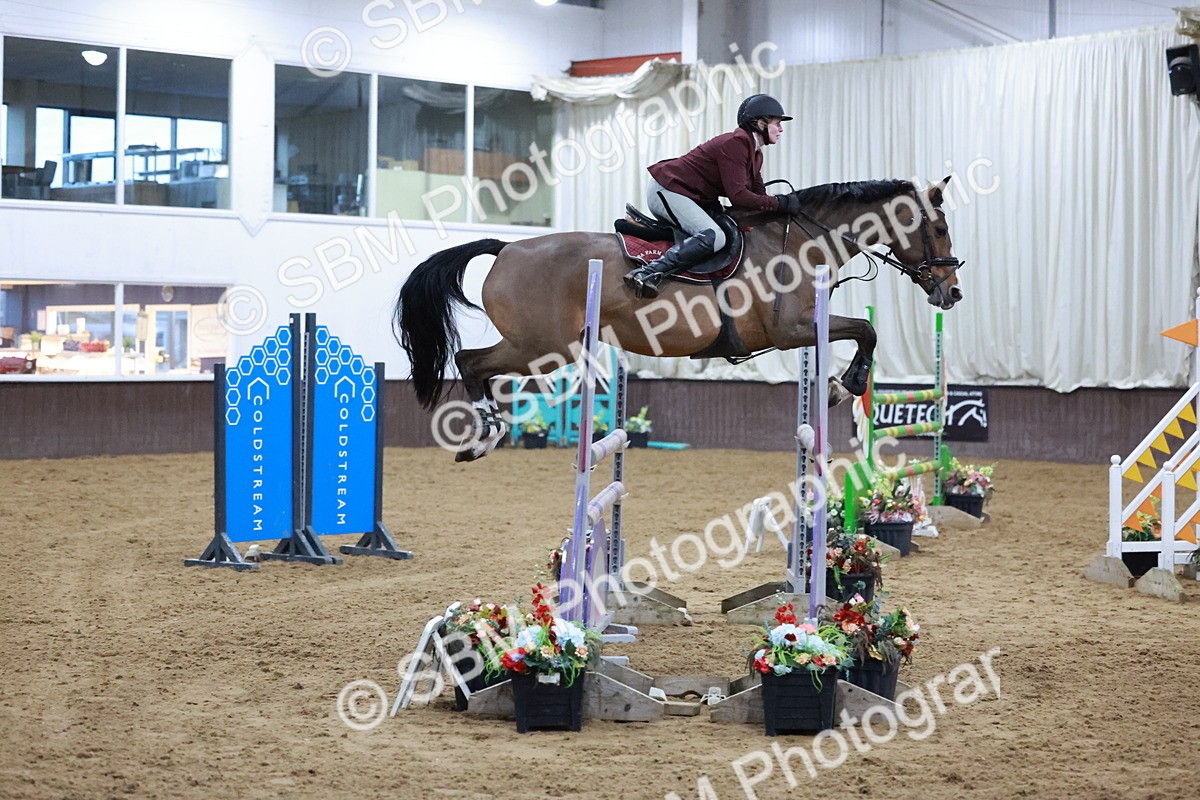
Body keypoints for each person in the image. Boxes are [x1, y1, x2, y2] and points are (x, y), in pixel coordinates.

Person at [623, 93, 803, 300]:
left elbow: (758, 196)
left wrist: (780, 206)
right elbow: (739, 197)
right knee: (714, 236)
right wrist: (780, 203)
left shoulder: (755, 153)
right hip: (667, 189)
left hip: (689, 195)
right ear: (760, 123)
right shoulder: (736, 144)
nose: (781, 129)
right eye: (777, 123)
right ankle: (646, 274)